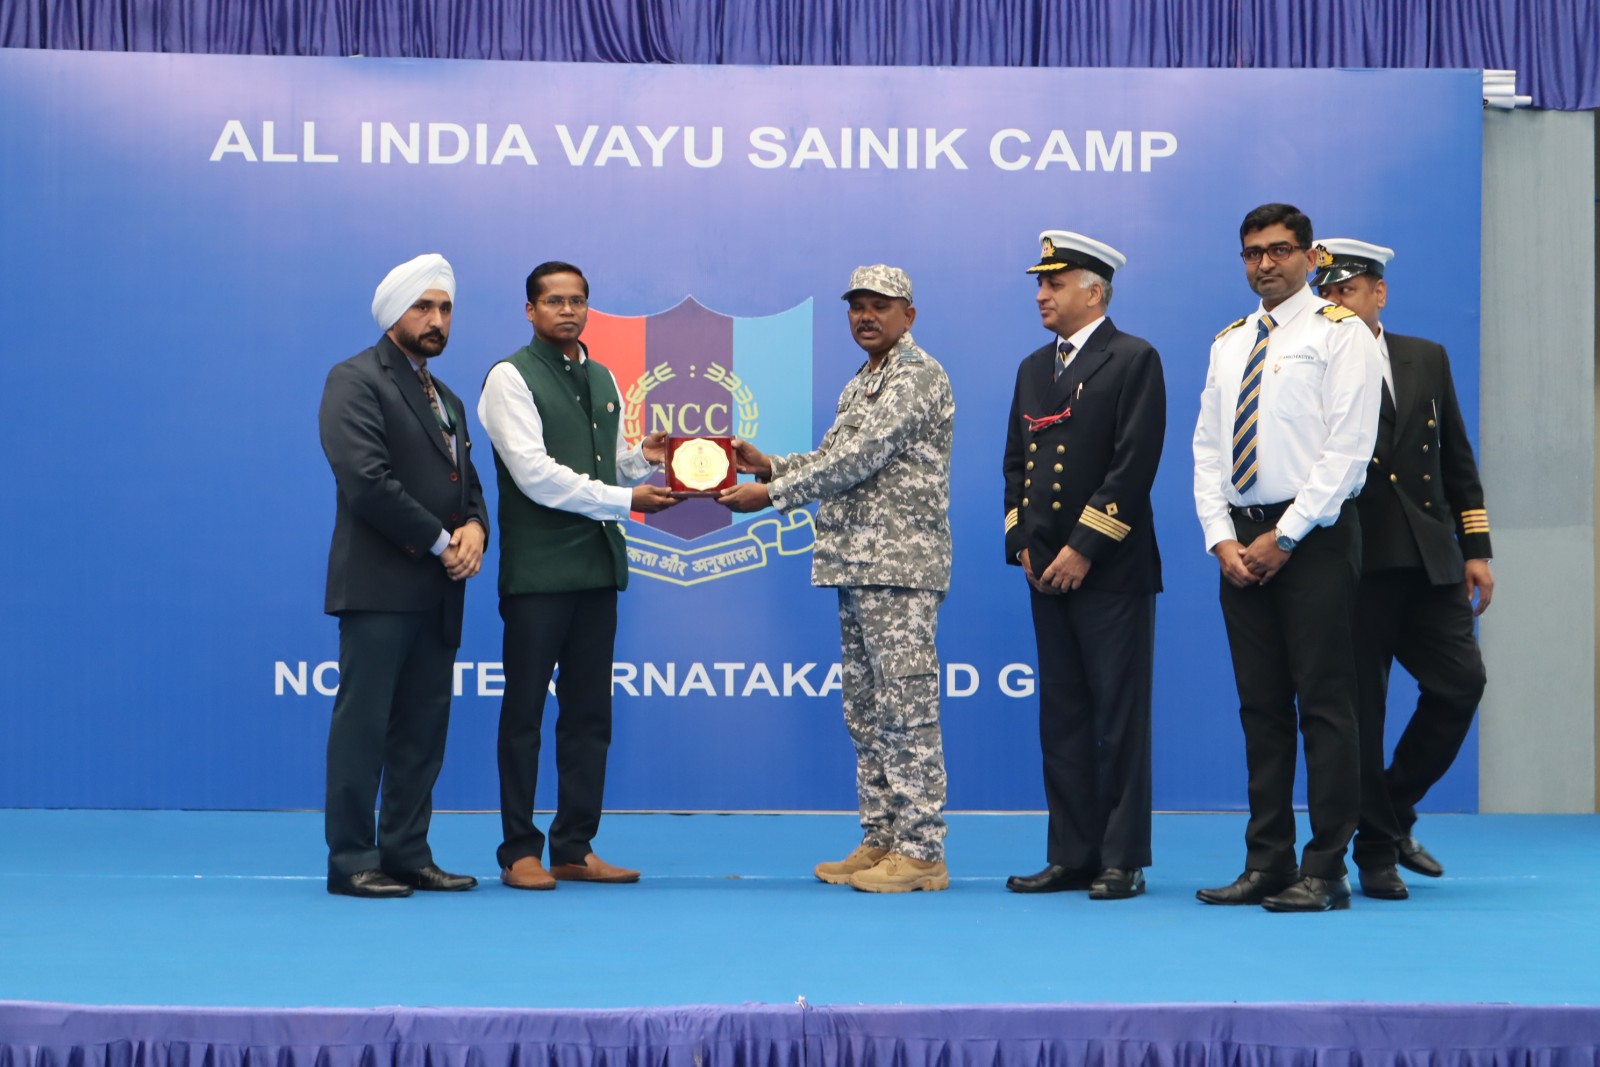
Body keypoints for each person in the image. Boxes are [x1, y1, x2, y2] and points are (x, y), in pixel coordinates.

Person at [718, 265, 955, 893]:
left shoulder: (916, 375)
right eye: (857, 307)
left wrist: (774, 494)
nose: (865, 316)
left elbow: (861, 457)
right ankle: (882, 838)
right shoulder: (864, 380)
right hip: (856, 562)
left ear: (909, 314)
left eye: (880, 306)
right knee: (867, 710)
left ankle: (922, 851)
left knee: (906, 707)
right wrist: (772, 464)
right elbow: (831, 455)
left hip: (899, 569)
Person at [1191, 203, 1381, 912]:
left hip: (1315, 537)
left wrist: (1288, 535)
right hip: (1242, 541)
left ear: (1309, 257)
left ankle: (1326, 867)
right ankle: (1266, 860)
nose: (1264, 264)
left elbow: (1348, 449)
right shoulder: (1229, 341)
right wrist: (1220, 537)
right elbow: (1208, 447)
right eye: (1252, 253)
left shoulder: (1340, 333)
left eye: (1278, 250)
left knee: (1325, 705)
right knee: (1260, 708)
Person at [478, 260, 678, 891]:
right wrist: (626, 500)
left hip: (596, 569)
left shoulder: (601, 376)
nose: (568, 310)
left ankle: (573, 846)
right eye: (554, 301)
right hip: (539, 574)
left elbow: (603, 466)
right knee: (525, 715)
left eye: (578, 301)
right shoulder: (510, 377)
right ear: (530, 310)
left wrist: (643, 461)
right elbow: (535, 475)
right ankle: (518, 851)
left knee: (590, 715)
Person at [1314, 238, 1493, 899]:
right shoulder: (1307, 362)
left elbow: (1455, 459)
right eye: (1326, 295)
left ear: (1378, 293)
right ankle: (1376, 852)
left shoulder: (1426, 356)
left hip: (1428, 556)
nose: (1336, 304)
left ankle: (1390, 810)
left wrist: (1476, 548)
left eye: (1348, 291)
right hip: (1353, 558)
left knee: (1461, 685)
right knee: (1362, 711)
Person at [1002, 231, 1167, 901]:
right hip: (1046, 570)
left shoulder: (1133, 358)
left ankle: (1121, 858)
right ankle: (1071, 852)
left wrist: (1082, 548)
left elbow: (1133, 466)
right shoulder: (1032, 367)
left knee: (1117, 719)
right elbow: (1016, 465)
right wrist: (1024, 544)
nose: (1041, 294)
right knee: (1063, 716)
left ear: (1094, 292)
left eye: (1054, 282)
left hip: (1112, 569)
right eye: (1040, 284)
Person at [318, 253, 488, 899]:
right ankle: (352, 860)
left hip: (440, 592)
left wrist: (476, 530)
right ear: (394, 312)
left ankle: (408, 852)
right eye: (423, 307)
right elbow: (366, 481)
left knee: (422, 732)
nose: (437, 319)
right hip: (380, 588)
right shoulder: (355, 379)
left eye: (445, 308)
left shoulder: (449, 399)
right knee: (364, 730)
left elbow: (468, 486)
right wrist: (443, 541)